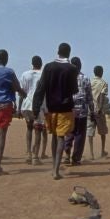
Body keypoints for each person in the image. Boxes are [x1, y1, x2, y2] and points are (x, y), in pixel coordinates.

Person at [33, 42, 79, 180]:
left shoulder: (48, 67)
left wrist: (36, 107)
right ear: (69, 53)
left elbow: (40, 88)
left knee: (54, 136)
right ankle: (55, 170)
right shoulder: (72, 69)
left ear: (57, 51)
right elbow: (74, 90)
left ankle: (54, 165)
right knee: (60, 138)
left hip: (50, 108)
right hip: (65, 109)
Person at [0, 49, 26, 176]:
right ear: (6, 59)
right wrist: (24, 94)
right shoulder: (9, 72)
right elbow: (18, 88)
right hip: (4, 105)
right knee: (2, 134)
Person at [63, 57, 94, 166]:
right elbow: (90, 97)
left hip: (69, 110)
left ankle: (66, 154)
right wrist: (92, 111)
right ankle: (76, 159)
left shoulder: (66, 78)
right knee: (80, 135)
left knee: (69, 132)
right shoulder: (85, 78)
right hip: (82, 111)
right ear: (80, 66)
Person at [18, 56, 47, 166]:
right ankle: (35, 157)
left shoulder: (25, 74)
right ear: (41, 63)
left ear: (32, 63)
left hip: (26, 105)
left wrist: (19, 107)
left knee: (29, 128)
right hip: (38, 106)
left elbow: (22, 92)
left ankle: (28, 154)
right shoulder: (43, 75)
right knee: (38, 131)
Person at [87, 65, 109, 160]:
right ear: (102, 72)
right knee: (102, 132)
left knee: (90, 131)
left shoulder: (89, 82)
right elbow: (101, 96)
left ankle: (91, 153)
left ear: (94, 72)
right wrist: (99, 108)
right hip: (99, 111)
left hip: (90, 110)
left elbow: (87, 96)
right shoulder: (104, 83)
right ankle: (102, 151)